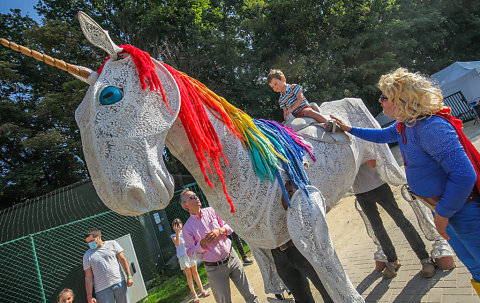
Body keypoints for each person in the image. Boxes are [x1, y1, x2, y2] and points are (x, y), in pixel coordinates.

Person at [332, 67, 480, 297]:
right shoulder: (406, 124)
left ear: (402, 100)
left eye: (384, 97)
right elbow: (380, 135)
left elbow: (464, 176)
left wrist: (442, 215)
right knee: (475, 268)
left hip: (461, 212)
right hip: (446, 210)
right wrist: (349, 129)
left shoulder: (431, 127)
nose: (380, 101)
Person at [353, 163, 436, 279]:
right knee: (377, 229)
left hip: (378, 186)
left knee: (401, 221)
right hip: (360, 193)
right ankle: (393, 261)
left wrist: (356, 157)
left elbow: (374, 162)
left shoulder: (365, 143)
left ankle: (425, 258)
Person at [179, 188, 259, 303]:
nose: (196, 197)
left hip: (232, 258)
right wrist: (201, 244)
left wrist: (220, 231)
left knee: (250, 294)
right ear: (185, 206)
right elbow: (190, 252)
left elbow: (229, 226)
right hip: (214, 269)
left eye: (195, 195)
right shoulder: (187, 228)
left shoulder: (212, 211)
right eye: (191, 197)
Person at [267, 69, 335, 130]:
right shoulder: (281, 99)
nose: (275, 88)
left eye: (275, 84)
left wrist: (291, 109)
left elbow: (300, 99)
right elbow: (285, 111)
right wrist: (286, 117)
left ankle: (328, 123)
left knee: (309, 112)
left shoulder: (293, 87)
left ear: (283, 79)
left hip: (302, 108)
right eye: (272, 87)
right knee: (285, 126)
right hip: (294, 114)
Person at [83, 228, 134, 303]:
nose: (90, 244)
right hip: (102, 290)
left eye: (91, 240)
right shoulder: (87, 256)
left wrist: (129, 276)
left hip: (119, 282)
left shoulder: (112, 244)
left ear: (99, 237)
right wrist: (89, 296)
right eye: (88, 242)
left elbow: (122, 259)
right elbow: (88, 276)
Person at [171, 218, 210, 303]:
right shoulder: (173, 236)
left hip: (190, 254)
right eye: (175, 224)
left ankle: (202, 290)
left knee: (195, 272)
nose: (177, 225)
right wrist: (177, 233)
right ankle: (194, 295)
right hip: (183, 257)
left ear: (181, 224)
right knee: (189, 275)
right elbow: (177, 244)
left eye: (178, 223)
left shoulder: (185, 232)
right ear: (173, 227)